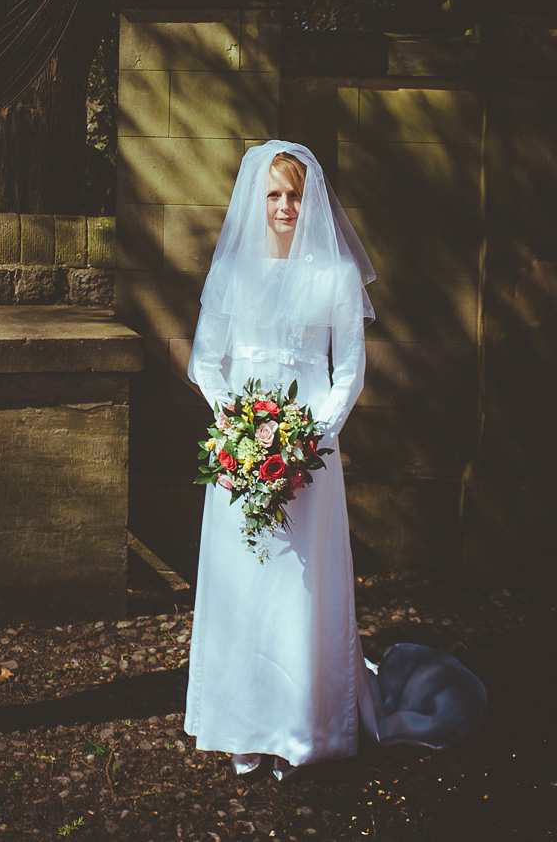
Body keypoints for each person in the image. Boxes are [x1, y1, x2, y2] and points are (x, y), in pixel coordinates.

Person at [183, 140, 375, 778]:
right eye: (273, 194)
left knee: (300, 583)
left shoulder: (336, 277)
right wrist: (237, 432)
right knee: (244, 584)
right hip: (239, 453)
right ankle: (241, 724)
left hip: (310, 455)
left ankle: (302, 725)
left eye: (294, 194)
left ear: (311, 198)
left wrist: (309, 439)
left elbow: (346, 371)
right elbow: (206, 363)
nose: (285, 206)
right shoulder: (232, 273)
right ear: (255, 201)